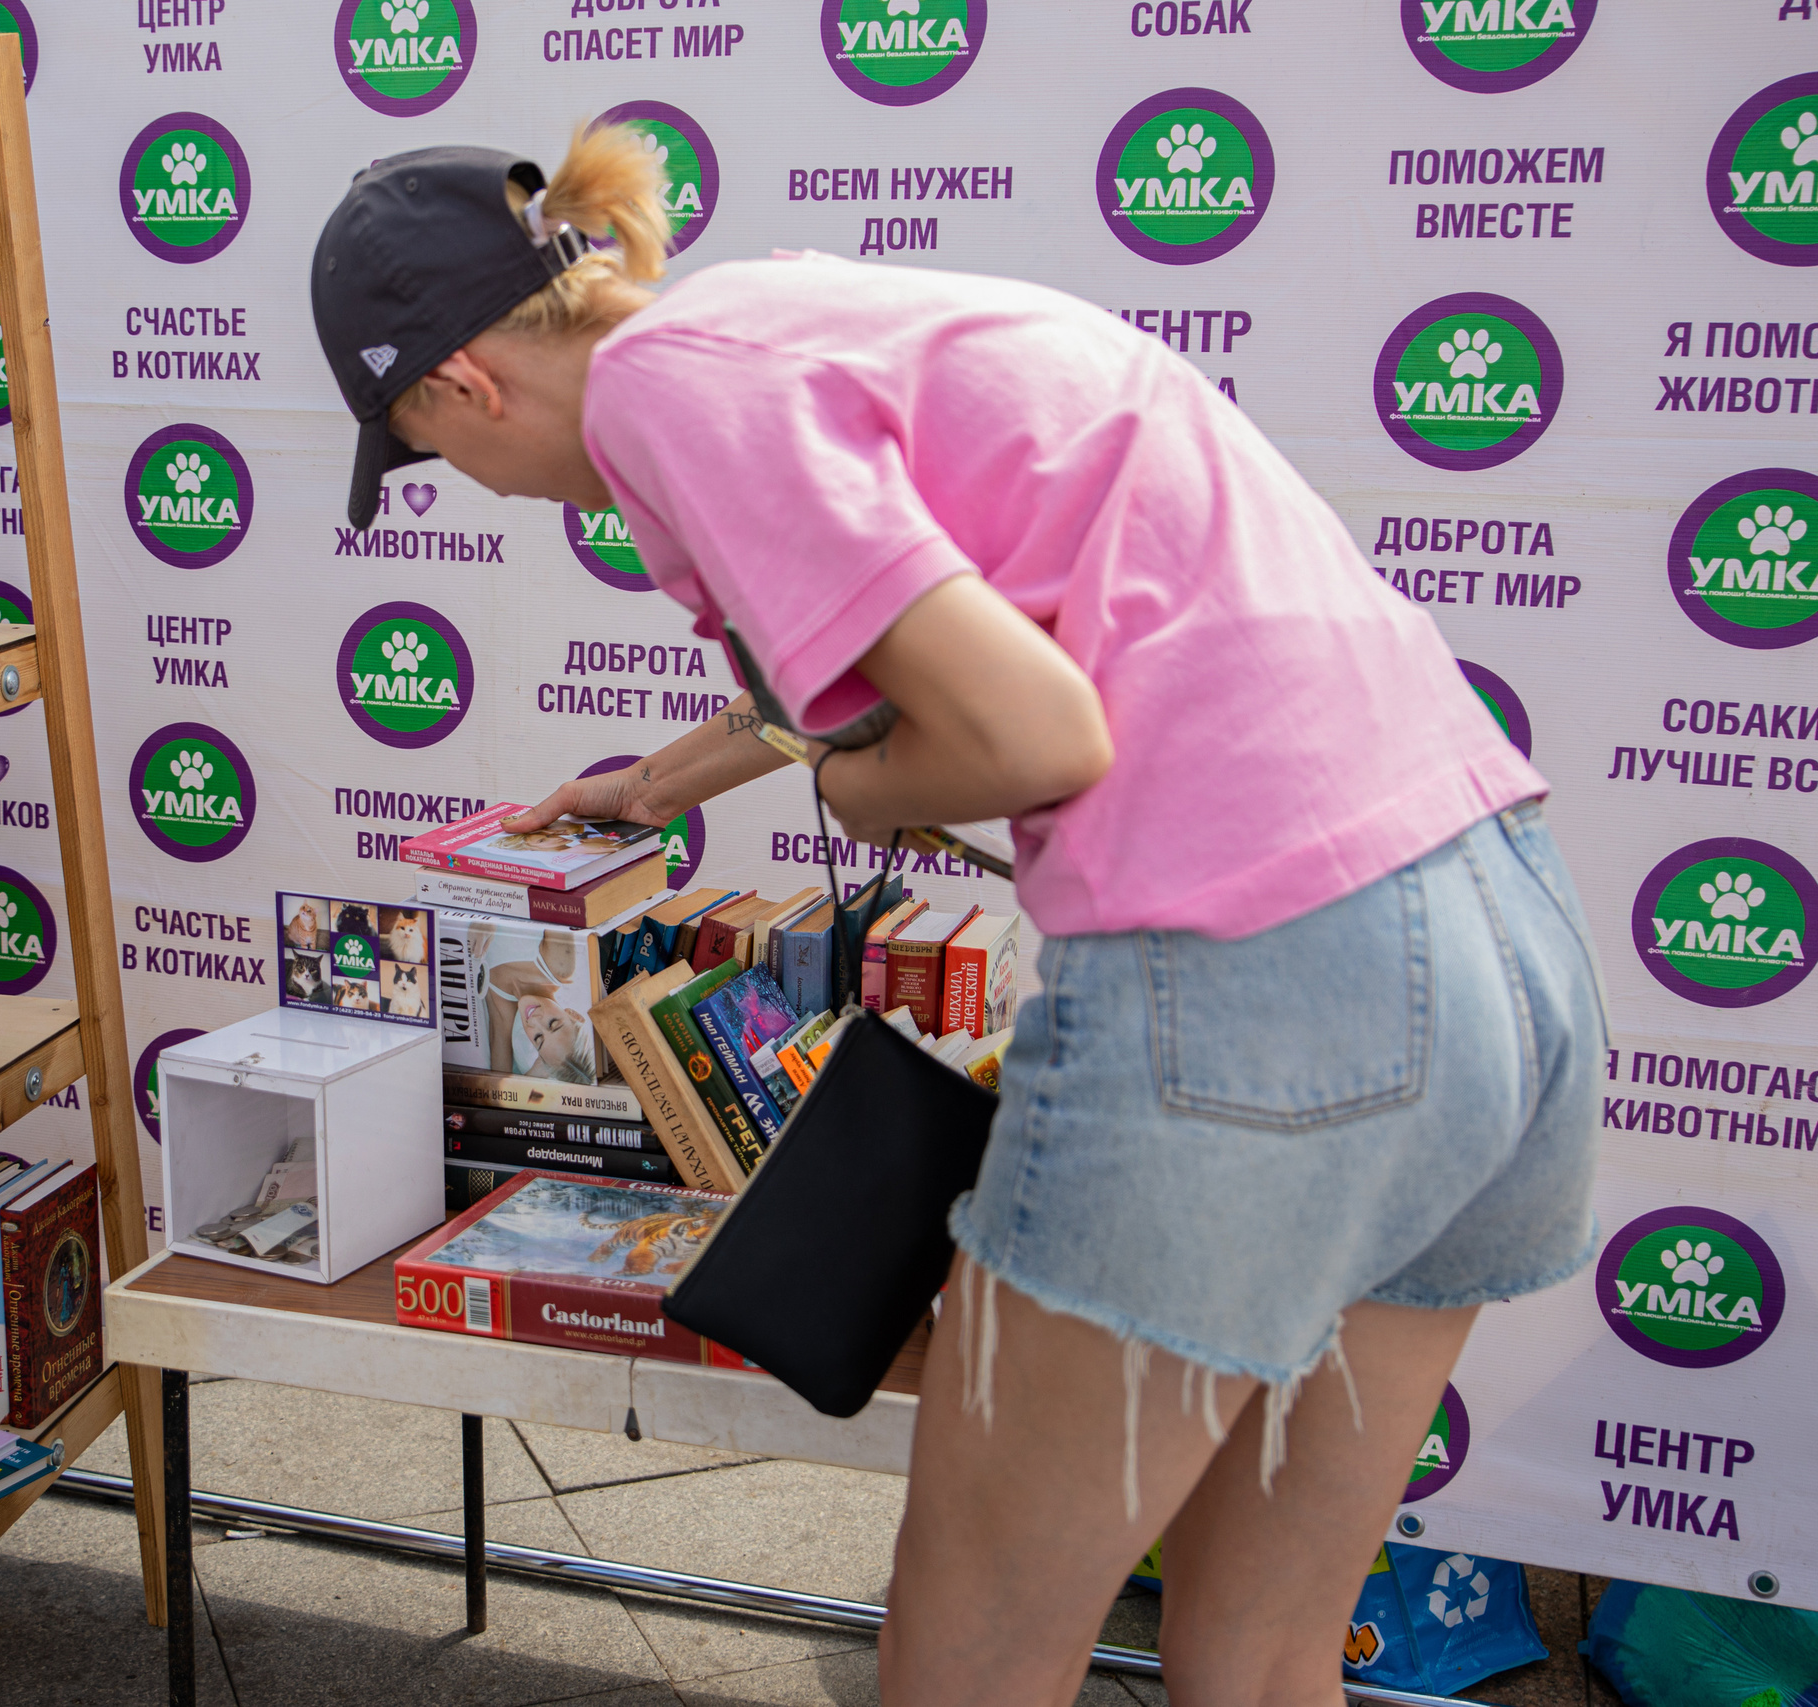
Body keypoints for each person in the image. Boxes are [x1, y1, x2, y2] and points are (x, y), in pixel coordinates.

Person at [310, 128, 1605, 1706]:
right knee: (1263, 1658)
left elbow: (1034, 735)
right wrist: (659, 782)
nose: (475, 489)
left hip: (1259, 985)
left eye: (428, 453)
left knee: (969, 1661)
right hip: (1499, 951)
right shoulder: (773, 321)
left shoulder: (671, 394)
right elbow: (901, 640)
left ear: (459, 385)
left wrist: (866, 794)